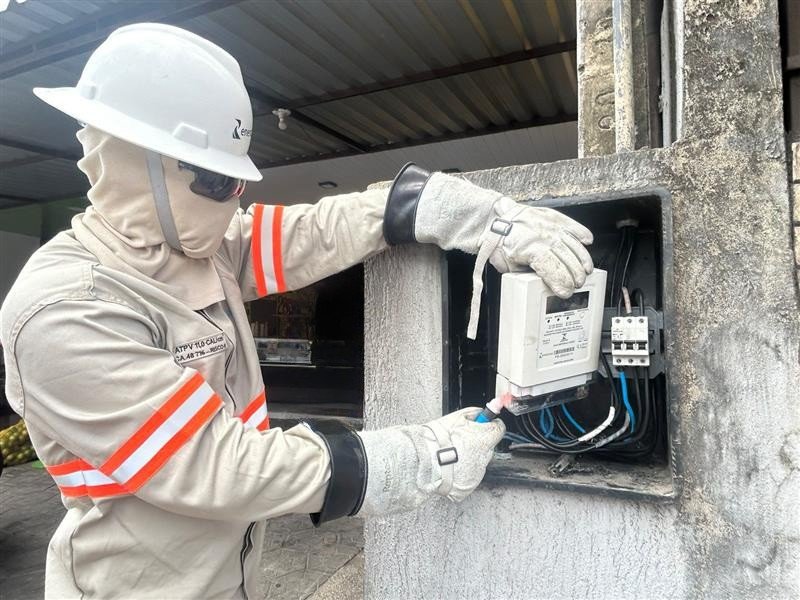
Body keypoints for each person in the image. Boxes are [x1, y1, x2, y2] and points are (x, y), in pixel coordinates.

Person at [0, 23, 594, 599]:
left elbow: (320, 229)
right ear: (137, 163)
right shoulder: (67, 309)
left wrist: (460, 210)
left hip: (232, 576)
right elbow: (220, 467)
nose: (236, 199)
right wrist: (421, 457)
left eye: (236, 181)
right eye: (214, 180)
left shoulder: (201, 248)